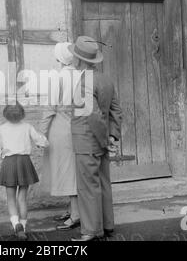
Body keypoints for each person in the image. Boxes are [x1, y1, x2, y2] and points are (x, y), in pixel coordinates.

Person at [68, 36, 122, 242]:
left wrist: (102, 140)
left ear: (80, 60)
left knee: (88, 186)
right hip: (101, 140)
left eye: (75, 56)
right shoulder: (106, 79)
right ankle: (107, 225)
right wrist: (111, 136)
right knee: (103, 183)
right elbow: (116, 110)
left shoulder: (83, 83)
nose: (73, 59)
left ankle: (91, 231)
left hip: (87, 142)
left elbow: (93, 115)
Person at [39, 42, 80, 231]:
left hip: (60, 129)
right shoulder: (80, 76)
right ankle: (72, 208)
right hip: (76, 127)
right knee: (71, 169)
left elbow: (49, 109)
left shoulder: (58, 79)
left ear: (60, 59)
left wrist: (42, 133)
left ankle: (76, 214)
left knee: (66, 171)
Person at [0, 102, 49, 240]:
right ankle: (23, 228)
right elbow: (40, 141)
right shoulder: (27, 127)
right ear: (22, 114)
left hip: (8, 163)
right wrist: (44, 142)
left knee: (11, 198)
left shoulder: (2, 128)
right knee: (22, 198)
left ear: (5, 114)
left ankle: (15, 224)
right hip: (24, 162)